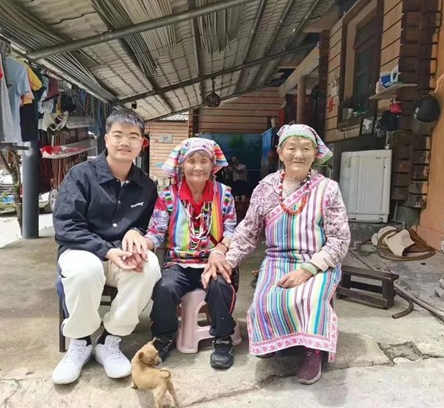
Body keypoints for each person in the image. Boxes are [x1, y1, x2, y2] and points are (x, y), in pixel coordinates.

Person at [219, 124, 350, 384]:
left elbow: (339, 240)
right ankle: (276, 339)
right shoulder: (266, 188)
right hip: (278, 259)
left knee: (309, 297)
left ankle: (313, 351)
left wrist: (307, 270)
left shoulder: (328, 189)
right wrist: (229, 261)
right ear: (280, 152)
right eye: (291, 148)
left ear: (315, 154)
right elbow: (248, 231)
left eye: (306, 148)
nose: (298, 154)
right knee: (264, 300)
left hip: (317, 260)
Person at [51, 108, 161, 385]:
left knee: (149, 266)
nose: (125, 142)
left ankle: (110, 340)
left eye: (133, 136)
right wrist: (107, 250)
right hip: (82, 251)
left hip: (121, 256)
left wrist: (137, 233)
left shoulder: (147, 186)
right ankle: (80, 341)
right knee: (85, 270)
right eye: (118, 135)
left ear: (142, 143)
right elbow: (66, 226)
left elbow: (149, 225)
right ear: (106, 138)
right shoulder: (80, 176)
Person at [132, 137, 238, 369]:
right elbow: (156, 232)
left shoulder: (224, 194)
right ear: (181, 165)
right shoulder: (168, 197)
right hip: (178, 263)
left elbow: (232, 230)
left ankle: (223, 338)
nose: (198, 167)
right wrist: (140, 244)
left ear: (213, 165)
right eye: (192, 161)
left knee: (220, 285)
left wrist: (220, 250)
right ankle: (163, 336)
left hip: (212, 261)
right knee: (165, 287)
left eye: (204, 161)